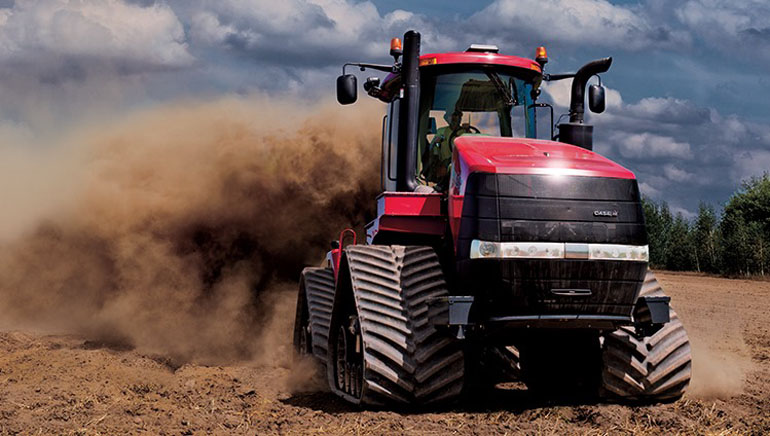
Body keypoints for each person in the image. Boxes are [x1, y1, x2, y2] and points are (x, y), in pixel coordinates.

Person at [420, 109, 467, 189]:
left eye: (457, 116)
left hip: (462, 166)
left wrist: (467, 130)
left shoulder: (466, 133)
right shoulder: (442, 132)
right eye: (452, 116)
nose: (454, 118)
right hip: (444, 166)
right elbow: (433, 149)